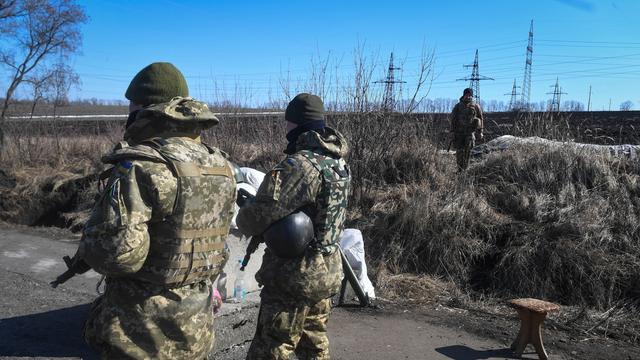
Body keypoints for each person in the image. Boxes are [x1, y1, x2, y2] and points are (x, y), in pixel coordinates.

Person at [76, 62, 236, 358]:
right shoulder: (222, 166)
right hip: (197, 331)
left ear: (142, 108)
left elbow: (118, 255)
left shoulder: (140, 165)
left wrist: (91, 239)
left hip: (140, 336)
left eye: (130, 105)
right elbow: (216, 247)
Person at [236, 93, 350, 360]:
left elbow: (255, 219)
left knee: (273, 347)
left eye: (287, 122)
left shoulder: (298, 166)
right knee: (314, 345)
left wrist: (247, 207)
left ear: (295, 123)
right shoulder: (337, 162)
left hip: (294, 278)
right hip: (327, 271)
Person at [450, 88, 484, 170]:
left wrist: (480, 132)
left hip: (469, 133)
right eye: (466, 94)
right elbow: (453, 119)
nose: (468, 96)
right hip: (459, 133)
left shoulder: (475, 106)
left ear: (471, 95)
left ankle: (465, 170)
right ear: (464, 95)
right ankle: (459, 169)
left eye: (470, 95)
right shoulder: (458, 106)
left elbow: (480, 118)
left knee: (468, 152)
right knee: (459, 152)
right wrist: (452, 131)